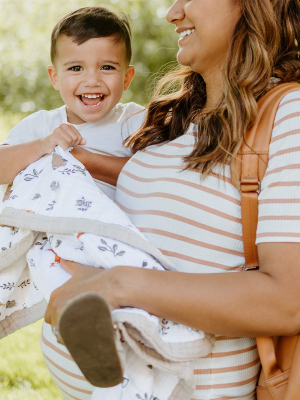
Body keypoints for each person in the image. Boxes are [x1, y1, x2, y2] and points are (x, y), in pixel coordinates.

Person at [43, 0, 300, 399]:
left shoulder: (289, 114)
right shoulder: (176, 117)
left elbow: (290, 300)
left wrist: (117, 284)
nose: (172, 12)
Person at [0, 7, 145, 200]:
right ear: (55, 77)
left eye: (107, 67)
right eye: (76, 68)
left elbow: (154, 175)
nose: (92, 80)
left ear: (127, 78)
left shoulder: (134, 121)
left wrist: (84, 160)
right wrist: (42, 146)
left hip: (103, 227)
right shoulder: (42, 126)